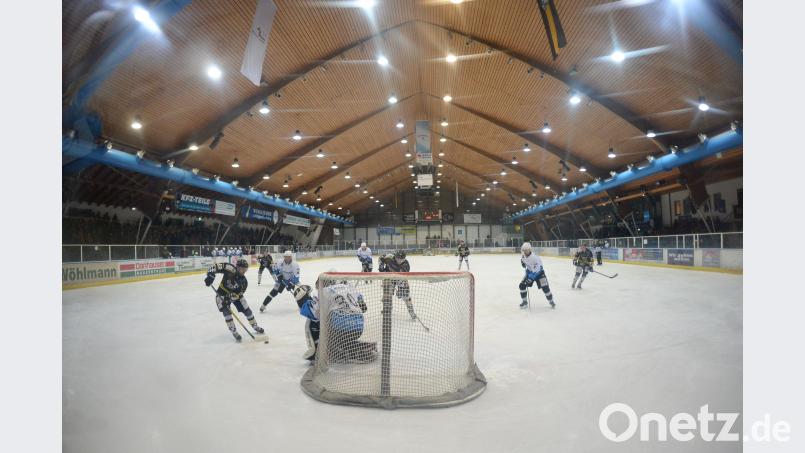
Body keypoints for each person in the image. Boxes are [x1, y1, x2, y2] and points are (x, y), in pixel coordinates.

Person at [294, 279, 376, 364]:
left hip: (339, 328)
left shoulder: (324, 291)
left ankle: (336, 352)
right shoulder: (349, 287)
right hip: (358, 327)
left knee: (316, 323)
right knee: (342, 338)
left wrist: (302, 300)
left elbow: (312, 312)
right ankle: (360, 348)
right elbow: (363, 307)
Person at [204, 259, 264, 342]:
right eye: (242, 269)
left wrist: (229, 299)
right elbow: (216, 267)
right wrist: (210, 275)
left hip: (233, 296)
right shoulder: (229, 268)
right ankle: (233, 330)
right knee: (226, 312)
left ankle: (254, 325)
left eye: (245, 269)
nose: (244, 271)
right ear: (237, 267)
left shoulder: (244, 282)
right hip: (221, 294)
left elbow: (238, 295)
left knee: (247, 310)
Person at [379, 250, 418, 320]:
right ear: (395, 257)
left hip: (400, 279)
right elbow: (381, 258)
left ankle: (411, 311)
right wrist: (381, 266)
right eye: (398, 259)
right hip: (389, 277)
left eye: (402, 259)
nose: (399, 261)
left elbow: (401, 275)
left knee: (406, 296)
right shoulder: (389, 258)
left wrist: (401, 290)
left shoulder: (406, 265)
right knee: (387, 293)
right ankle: (388, 307)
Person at [519, 242, 555, 309]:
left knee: (545, 289)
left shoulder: (535, 257)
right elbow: (523, 261)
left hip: (539, 274)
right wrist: (523, 263)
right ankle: (524, 302)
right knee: (522, 285)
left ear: (530, 250)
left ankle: (551, 301)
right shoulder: (523, 255)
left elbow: (539, 269)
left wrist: (531, 278)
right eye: (523, 250)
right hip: (529, 273)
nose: (524, 252)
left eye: (526, 250)